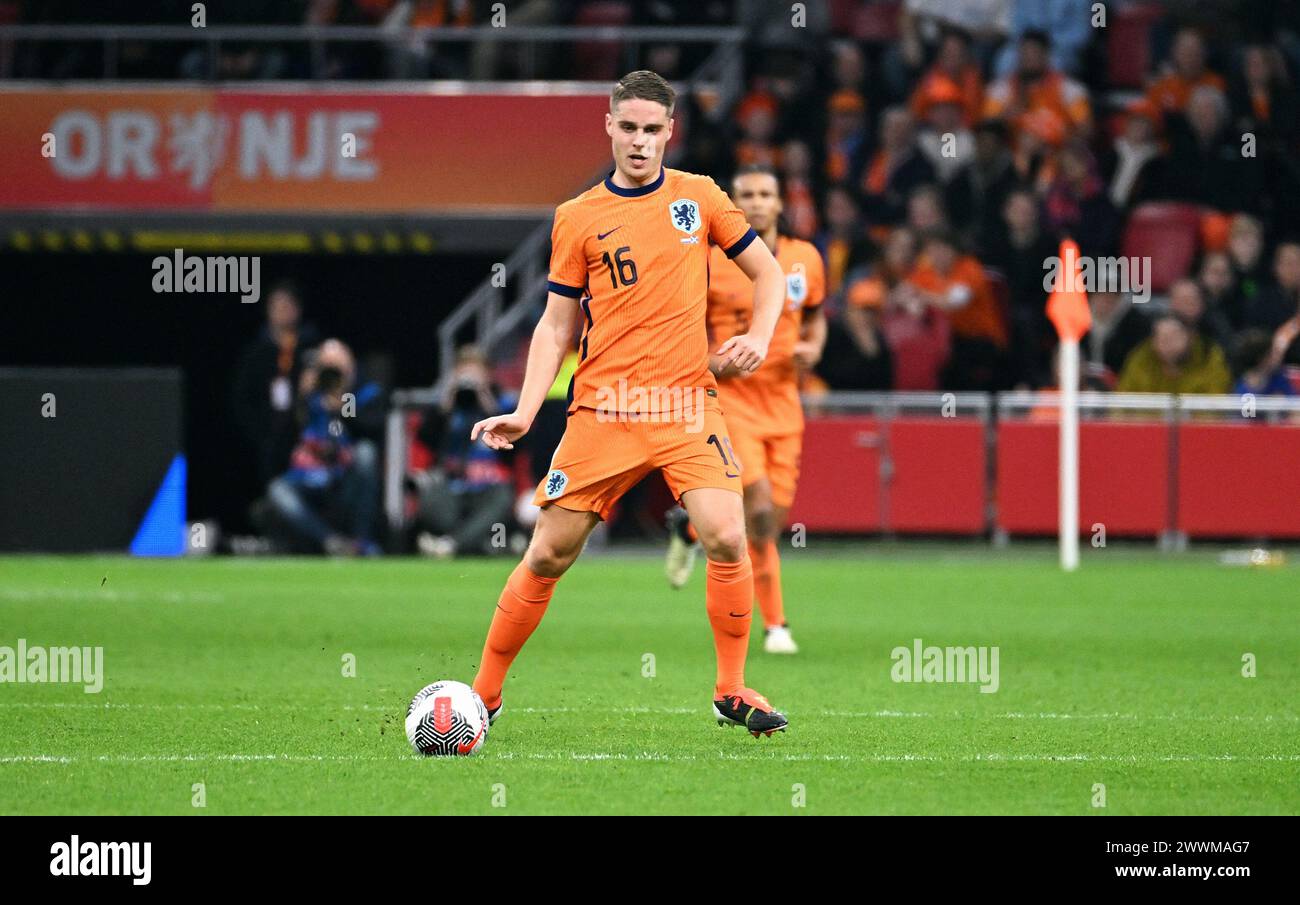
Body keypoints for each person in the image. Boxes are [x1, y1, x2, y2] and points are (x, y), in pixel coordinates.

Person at [467, 71, 790, 737]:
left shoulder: (698, 197)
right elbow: (556, 324)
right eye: (629, 127)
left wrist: (757, 337)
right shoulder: (577, 217)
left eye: (652, 129)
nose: (640, 141)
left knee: (728, 532)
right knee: (549, 553)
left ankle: (731, 688)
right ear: (609, 127)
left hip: (685, 405)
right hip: (604, 411)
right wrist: (526, 409)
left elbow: (768, 274)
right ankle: (484, 694)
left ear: (670, 132)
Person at [663, 164, 827, 656]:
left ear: (780, 204)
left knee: (768, 522)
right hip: (732, 399)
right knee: (755, 509)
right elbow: (686, 333)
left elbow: (816, 319)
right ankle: (776, 625)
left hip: (784, 403)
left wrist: (814, 349)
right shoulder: (709, 260)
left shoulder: (806, 259)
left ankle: (689, 528)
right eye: (747, 194)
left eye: (765, 194)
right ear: (733, 204)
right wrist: (714, 365)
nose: (757, 202)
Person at [266, 339, 383, 555]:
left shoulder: (363, 392)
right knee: (277, 490)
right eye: (326, 367)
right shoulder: (308, 394)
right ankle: (331, 541)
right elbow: (278, 439)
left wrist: (343, 405)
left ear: (351, 367)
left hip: (346, 479)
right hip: (309, 478)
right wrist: (299, 398)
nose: (332, 375)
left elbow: (371, 431)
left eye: (337, 367)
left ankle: (361, 540)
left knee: (367, 453)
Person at [413, 345, 517, 558]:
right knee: (430, 494)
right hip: (451, 488)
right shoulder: (445, 409)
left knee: (502, 497)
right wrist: (446, 405)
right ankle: (477, 544)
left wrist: (488, 405)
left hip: (487, 489)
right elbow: (425, 440)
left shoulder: (503, 406)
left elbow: (515, 452)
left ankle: (451, 545)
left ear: (488, 376)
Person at [1116, 314, 1231, 395]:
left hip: (1196, 427)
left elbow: (1215, 404)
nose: (1167, 343)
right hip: (1147, 427)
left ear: (1190, 337)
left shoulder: (1209, 357)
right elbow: (1123, 402)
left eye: (1173, 337)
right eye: (1161, 338)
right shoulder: (1141, 358)